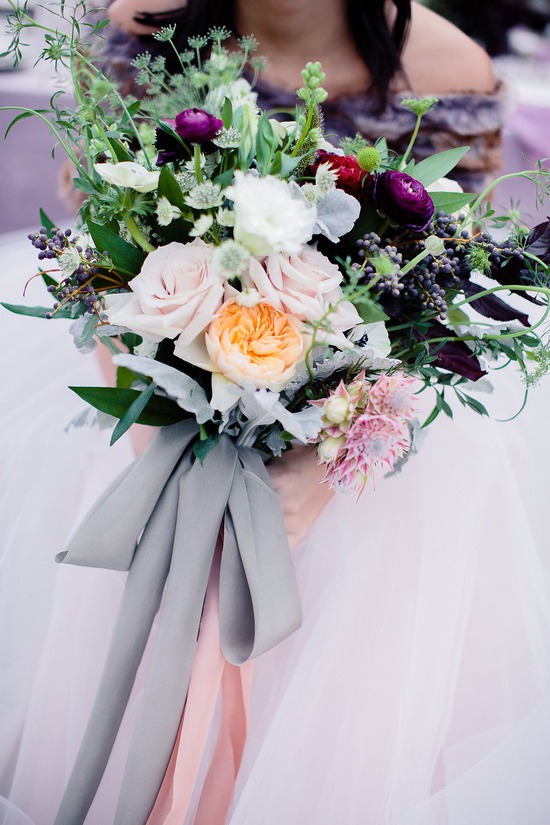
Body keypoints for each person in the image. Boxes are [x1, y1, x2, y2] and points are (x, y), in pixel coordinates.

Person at [1, 2, 550, 824]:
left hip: (362, 422)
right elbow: (96, 257)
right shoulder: (139, 28)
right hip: (158, 386)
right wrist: (163, 442)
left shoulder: (448, 70)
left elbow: (440, 305)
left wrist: (327, 467)